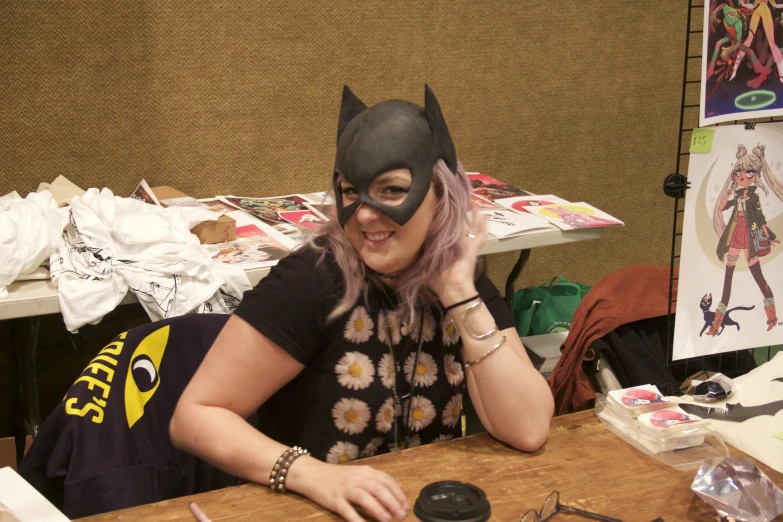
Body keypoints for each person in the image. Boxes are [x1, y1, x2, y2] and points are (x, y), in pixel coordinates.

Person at [170, 85, 554, 522]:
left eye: (391, 190)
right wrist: (311, 475)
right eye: (352, 192)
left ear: (440, 192)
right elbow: (196, 417)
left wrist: (458, 294)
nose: (366, 215)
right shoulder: (313, 280)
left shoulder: (456, 275)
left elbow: (527, 428)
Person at [710, 144, 783, 335]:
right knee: (728, 279)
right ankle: (716, 324)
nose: (742, 175)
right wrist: (729, 190)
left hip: (749, 238)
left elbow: (760, 219)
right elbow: (721, 207)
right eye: (738, 171)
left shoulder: (753, 198)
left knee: (758, 276)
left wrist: (769, 236)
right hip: (735, 235)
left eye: (749, 172)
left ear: (756, 175)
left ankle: (772, 318)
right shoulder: (737, 194)